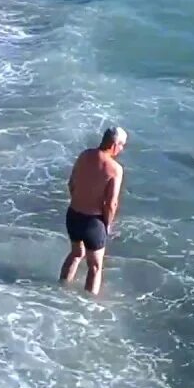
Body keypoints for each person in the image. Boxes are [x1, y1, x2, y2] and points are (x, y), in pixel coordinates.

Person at [60, 126, 127, 296]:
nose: (122, 149)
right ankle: (87, 308)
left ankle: (60, 290)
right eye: (122, 145)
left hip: (73, 215)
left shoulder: (84, 155)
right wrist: (107, 225)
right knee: (95, 267)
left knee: (76, 254)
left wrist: (78, 201)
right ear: (114, 145)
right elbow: (111, 203)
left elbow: (71, 184)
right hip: (93, 223)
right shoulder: (115, 169)